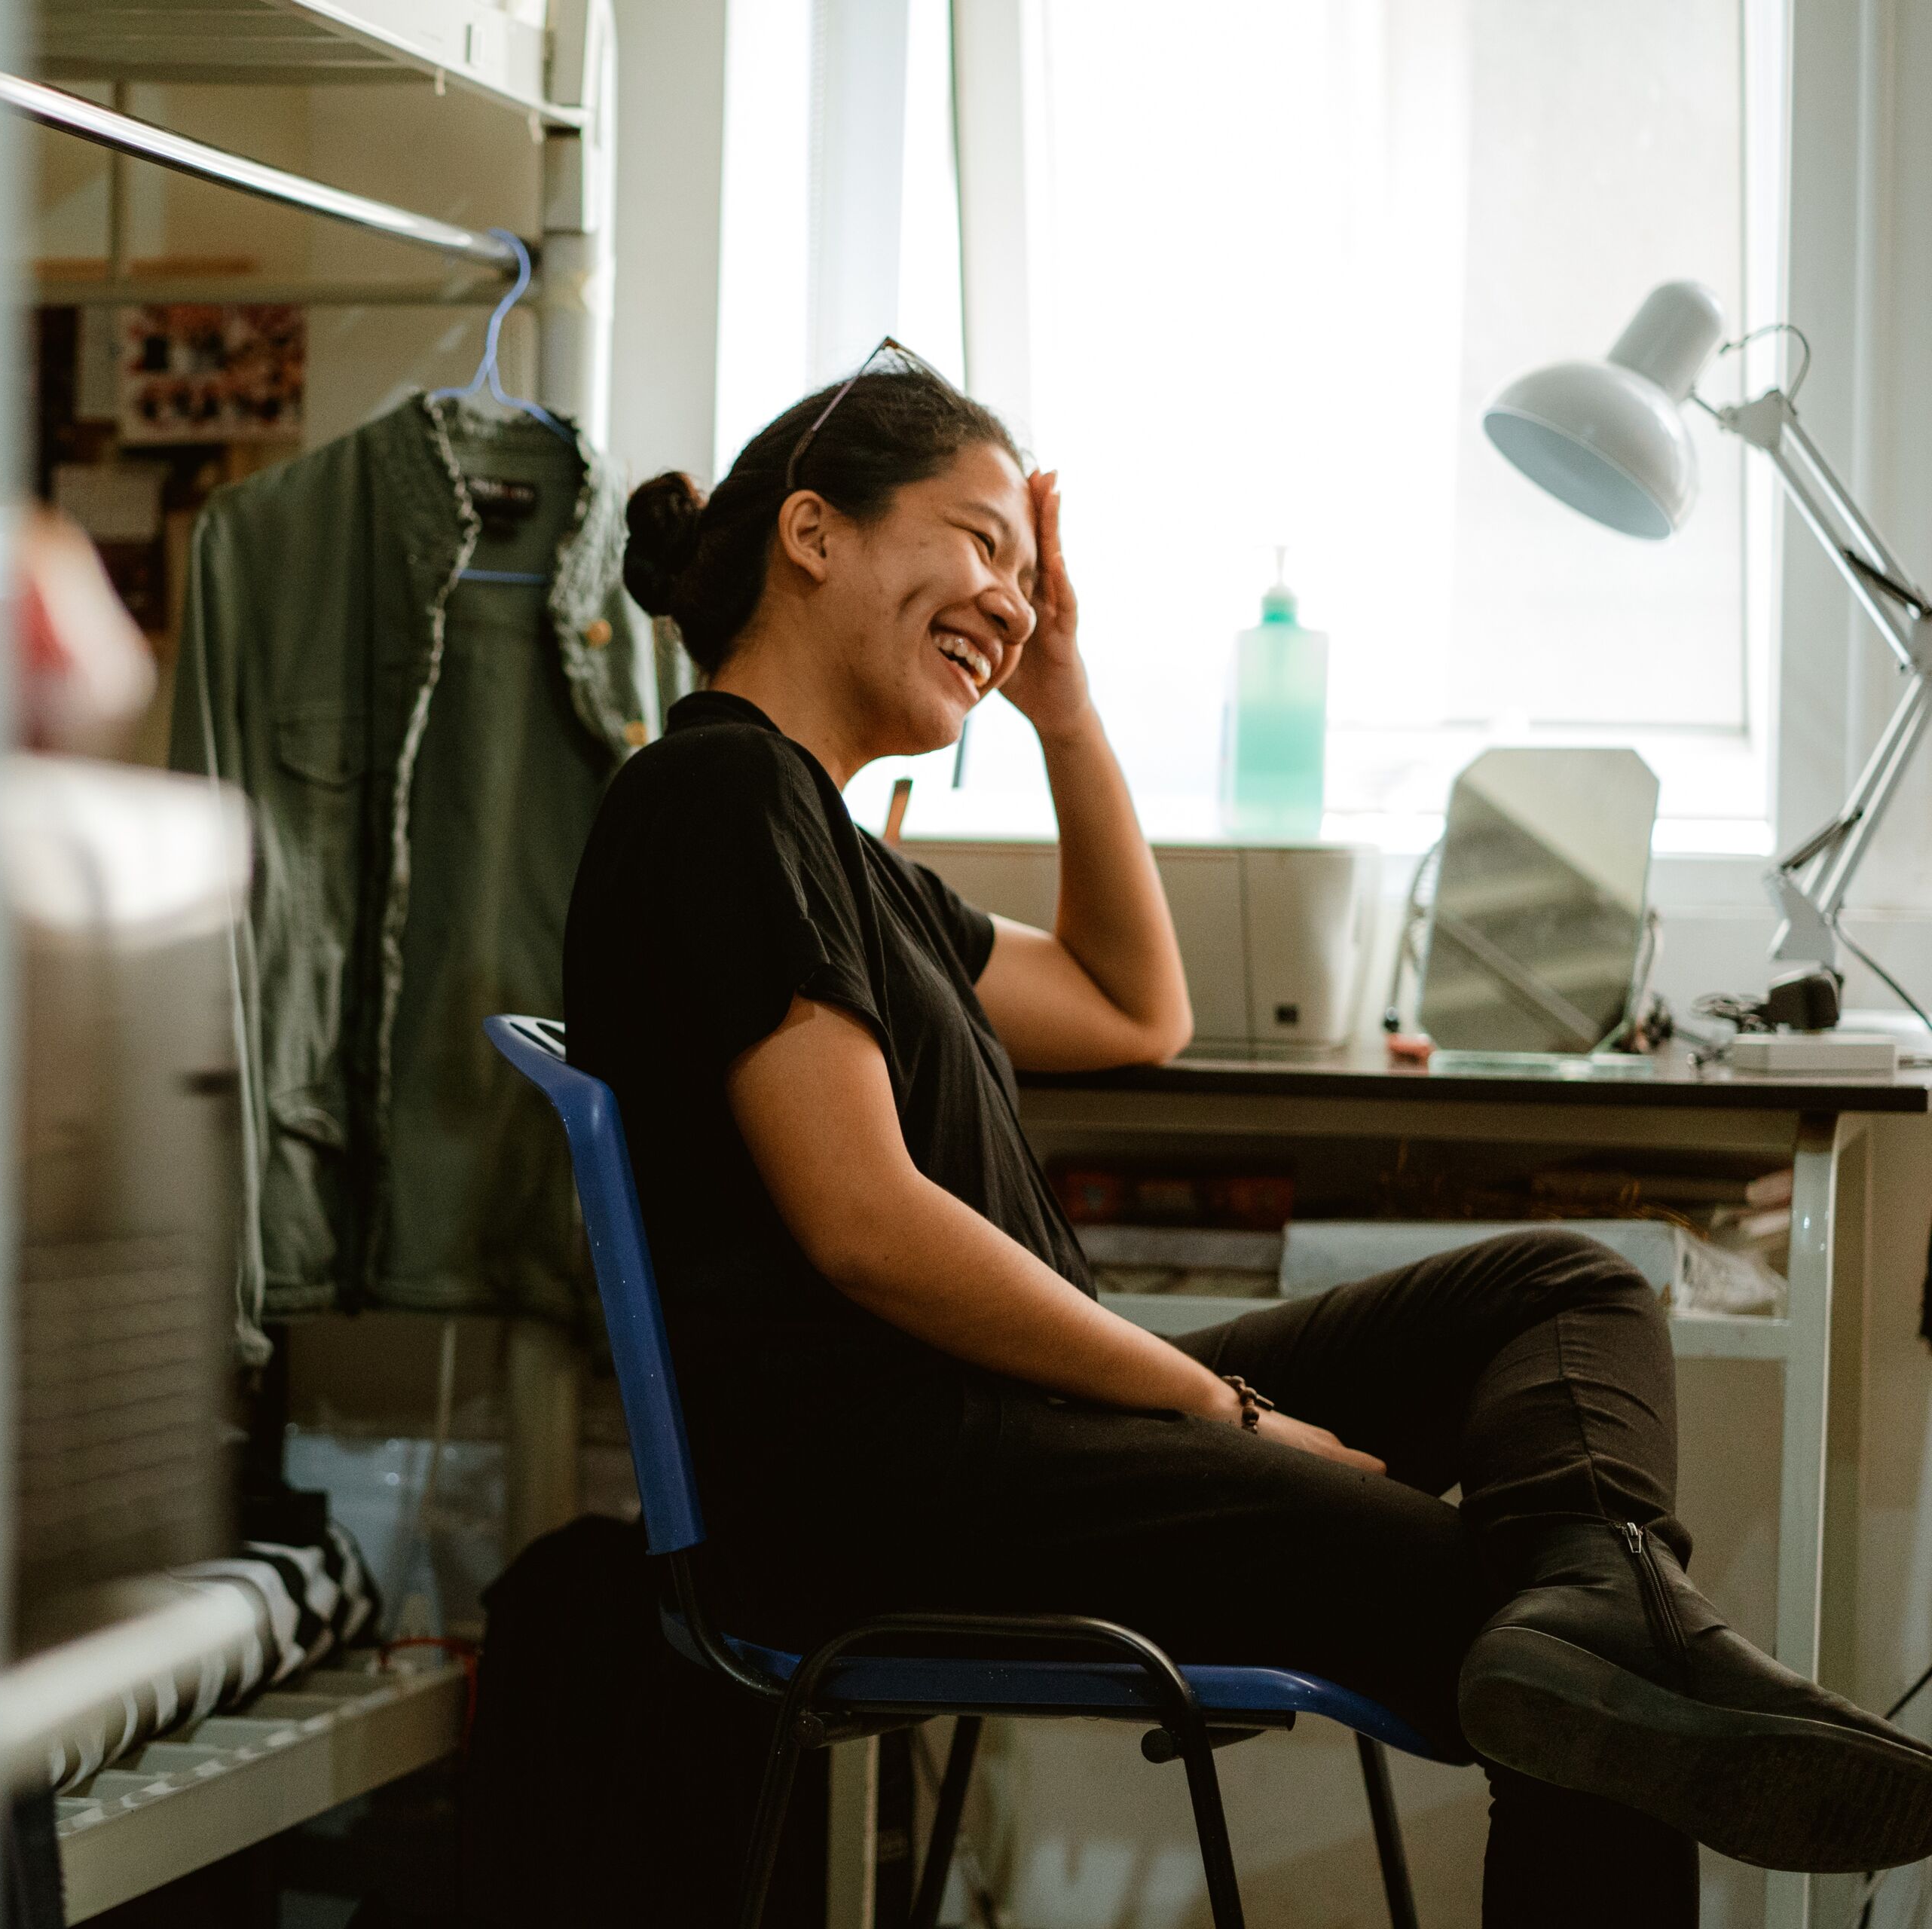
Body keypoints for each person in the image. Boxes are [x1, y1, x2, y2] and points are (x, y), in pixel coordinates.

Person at [561, 345, 1932, 1922]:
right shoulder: (715, 801)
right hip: (893, 1489)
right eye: (980, 539)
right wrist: (1223, 1406)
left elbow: (1132, 1003)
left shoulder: (837, 850)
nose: (1012, 597)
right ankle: (1615, 1625)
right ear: (815, 534)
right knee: (1544, 1636)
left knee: (1566, 1288)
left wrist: (1064, 708)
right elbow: (865, 1222)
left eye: (1028, 566)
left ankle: (1613, 1605)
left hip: (993, 1438)